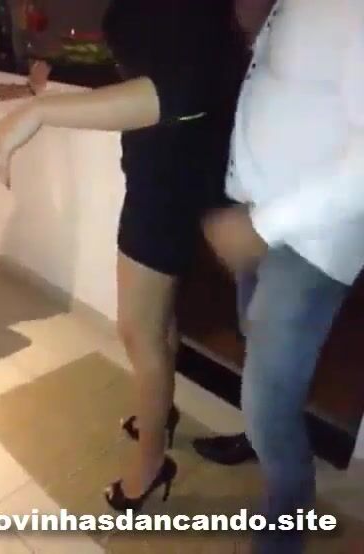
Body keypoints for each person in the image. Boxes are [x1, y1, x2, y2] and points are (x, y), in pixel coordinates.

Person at [0, 0, 262, 510]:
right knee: (153, 324)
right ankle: (158, 413)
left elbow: (180, 90)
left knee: (139, 330)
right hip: (165, 171)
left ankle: (151, 462)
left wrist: (37, 111)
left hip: (169, 181)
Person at [200, 0, 364, 552]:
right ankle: (259, 443)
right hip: (264, 217)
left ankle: (283, 531)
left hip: (307, 237)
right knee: (259, 368)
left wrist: (262, 226)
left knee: (269, 400)